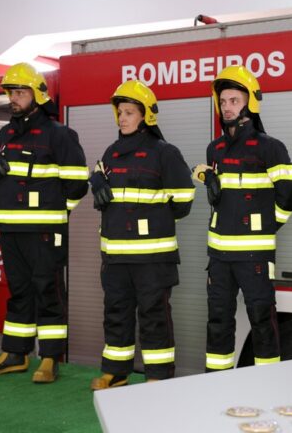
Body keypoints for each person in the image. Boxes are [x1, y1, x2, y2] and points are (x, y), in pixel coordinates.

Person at [0, 63, 89, 384]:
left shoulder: (59, 135)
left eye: (20, 92)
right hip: (9, 230)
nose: (13, 98)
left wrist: (55, 217)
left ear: (37, 95)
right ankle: (15, 354)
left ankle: (50, 358)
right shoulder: (4, 134)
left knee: (48, 292)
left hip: (43, 232)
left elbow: (77, 185)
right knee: (19, 293)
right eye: (10, 92)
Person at [88, 81, 195, 390]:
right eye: (120, 112)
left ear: (146, 115)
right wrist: (97, 182)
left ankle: (158, 377)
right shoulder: (111, 153)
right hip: (115, 256)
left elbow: (183, 202)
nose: (122, 118)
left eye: (129, 112)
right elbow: (102, 185)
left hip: (152, 258)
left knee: (154, 317)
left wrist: (151, 220)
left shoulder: (165, 153)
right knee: (116, 314)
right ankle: (115, 372)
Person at [193, 65, 292, 372]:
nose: (226, 107)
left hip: (254, 256)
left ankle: (267, 383)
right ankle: (217, 382)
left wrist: (265, 228)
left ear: (250, 103)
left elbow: (290, 197)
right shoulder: (214, 149)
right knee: (218, 321)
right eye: (223, 101)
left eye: (234, 101)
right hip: (219, 257)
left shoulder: (270, 148)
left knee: (262, 320)